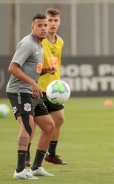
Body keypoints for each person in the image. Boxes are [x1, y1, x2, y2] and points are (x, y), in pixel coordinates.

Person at [6, 14, 56, 179]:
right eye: (39, 25)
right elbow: (13, 68)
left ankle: (35, 167)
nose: (43, 28)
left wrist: (44, 71)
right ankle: (20, 170)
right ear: (32, 27)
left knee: (49, 126)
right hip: (19, 90)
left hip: (31, 91)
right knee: (28, 126)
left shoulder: (40, 44)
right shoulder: (28, 43)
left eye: (45, 25)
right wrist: (33, 83)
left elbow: (30, 68)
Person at [26, 8, 67, 166]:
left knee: (59, 119)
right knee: (34, 123)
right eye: (50, 20)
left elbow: (55, 63)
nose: (52, 24)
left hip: (54, 89)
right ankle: (28, 155)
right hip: (38, 88)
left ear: (59, 22)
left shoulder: (60, 41)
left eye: (56, 20)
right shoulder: (38, 41)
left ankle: (51, 154)